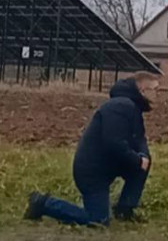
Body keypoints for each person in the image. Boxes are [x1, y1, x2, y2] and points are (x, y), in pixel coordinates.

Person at [26, 74, 160, 227]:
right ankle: (44, 204)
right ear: (142, 90)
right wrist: (137, 161)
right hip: (92, 172)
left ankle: (125, 210)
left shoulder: (132, 108)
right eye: (155, 89)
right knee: (98, 221)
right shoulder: (120, 107)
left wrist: (143, 157)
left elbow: (139, 140)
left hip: (107, 165)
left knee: (143, 164)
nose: (158, 94)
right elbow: (113, 143)